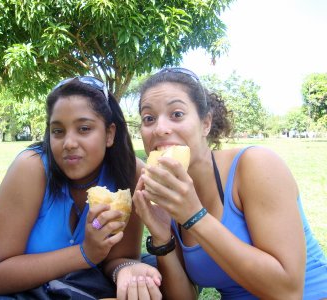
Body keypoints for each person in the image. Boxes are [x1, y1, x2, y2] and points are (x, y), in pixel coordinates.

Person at [133, 67, 327, 299]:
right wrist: (162, 238)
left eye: (176, 114)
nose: (160, 129)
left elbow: (288, 291)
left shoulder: (256, 165)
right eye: (149, 118)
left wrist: (194, 216)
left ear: (206, 123)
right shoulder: (174, 196)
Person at [0, 76, 162, 299]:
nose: (68, 143)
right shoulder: (31, 168)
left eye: (84, 128)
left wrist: (125, 268)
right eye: (58, 131)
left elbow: (120, 257)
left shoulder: (129, 172)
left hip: (79, 288)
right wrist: (84, 253)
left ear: (109, 134)